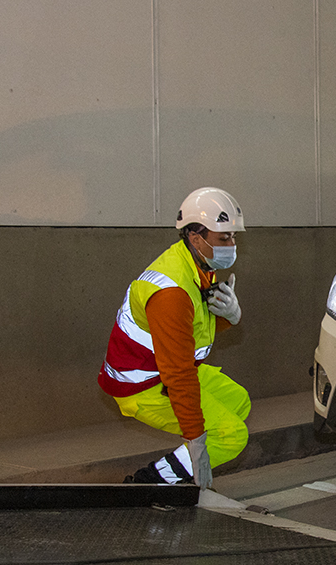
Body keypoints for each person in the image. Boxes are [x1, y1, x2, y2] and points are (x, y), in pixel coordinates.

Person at [98, 187, 251, 493]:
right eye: (225, 238)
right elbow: (178, 374)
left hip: (164, 368)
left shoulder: (196, 265)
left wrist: (227, 317)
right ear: (197, 237)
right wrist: (196, 447)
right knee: (232, 436)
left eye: (234, 237)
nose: (232, 245)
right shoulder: (172, 293)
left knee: (238, 402)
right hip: (143, 384)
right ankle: (150, 482)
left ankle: (179, 471)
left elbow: (189, 333)